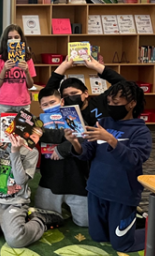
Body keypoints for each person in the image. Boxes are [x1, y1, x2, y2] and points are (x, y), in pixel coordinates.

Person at [65, 81, 151, 253]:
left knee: (122, 244)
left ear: (132, 103)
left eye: (116, 103)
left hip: (122, 194)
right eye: (110, 102)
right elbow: (87, 153)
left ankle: (154, 226)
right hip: (96, 190)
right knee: (98, 236)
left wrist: (111, 140)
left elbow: (135, 160)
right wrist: (75, 143)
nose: (111, 106)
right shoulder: (103, 122)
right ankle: (131, 220)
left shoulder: (141, 131)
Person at [0, 135, 64, 248]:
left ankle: (40, 220)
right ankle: (7, 225)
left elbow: (20, 181)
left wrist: (15, 152)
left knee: (15, 240)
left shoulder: (31, 152)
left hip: (15, 200)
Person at [34, 88, 89, 227]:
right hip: (51, 179)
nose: (50, 106)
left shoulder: (74, 116)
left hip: (76, 180)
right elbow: (32, 135)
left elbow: (83, 137)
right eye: (45, 104)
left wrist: (62, 148)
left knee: (86, 222)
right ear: (40, 106)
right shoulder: (38, 122)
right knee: (44, 218)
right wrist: (64, 136)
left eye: (53, 102)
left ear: (62, 101)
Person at [45, 56, 126, 126]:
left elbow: (123, 85)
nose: (70, 97)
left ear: (86, 93)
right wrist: (63, 66)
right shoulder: (64, 111)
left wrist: (97, 66)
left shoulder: (101, 102)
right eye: (66, 96)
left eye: (74, 93)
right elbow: (47, 94)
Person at [0, 24, 35, 114]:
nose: (13, 40)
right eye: (10, 38)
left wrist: (26, 71)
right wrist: (4, 70)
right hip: (4, 103)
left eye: (16, 37)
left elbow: (30, 85)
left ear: (21, 39)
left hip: (23, 103)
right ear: (5, 41)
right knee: (4, 128)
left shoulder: (27, 59)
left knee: (23, 128)